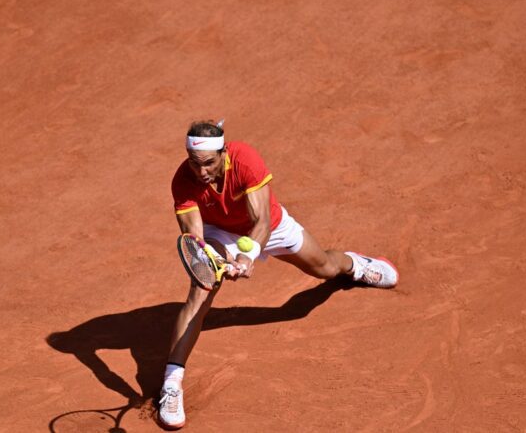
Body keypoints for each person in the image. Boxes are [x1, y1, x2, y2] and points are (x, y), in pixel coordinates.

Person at [158, 120, 399, 429]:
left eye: (208, 163)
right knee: (200, 292)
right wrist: (217, 261)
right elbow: (196, 238)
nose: (201, 171)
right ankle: (171, 382)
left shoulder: (245, 159)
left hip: (269, 227)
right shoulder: (183, 181)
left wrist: (246, 258)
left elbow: (261, 223)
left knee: (324, 267)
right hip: (221, 233)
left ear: (223, 153)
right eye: (194, 163)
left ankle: (356, 265)